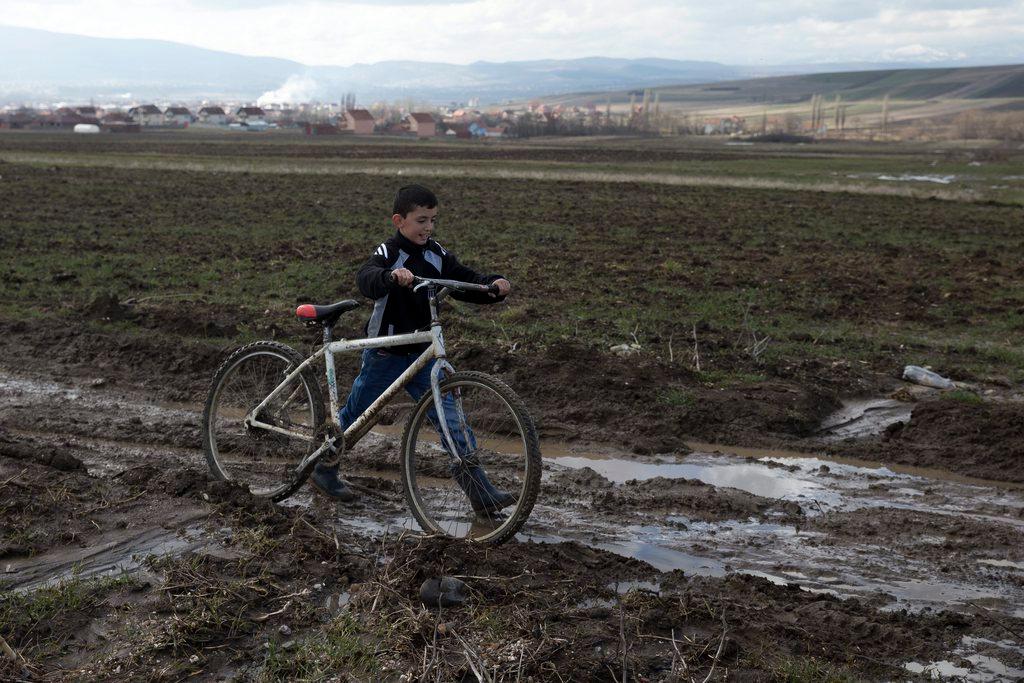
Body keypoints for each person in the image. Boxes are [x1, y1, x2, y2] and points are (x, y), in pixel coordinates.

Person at [311, 184, 515, 514]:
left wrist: (492, 286)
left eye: (433, 220)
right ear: (399, 220)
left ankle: (479, 490)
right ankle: (325, 467)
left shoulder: (437, 253)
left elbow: (463, 278)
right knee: (357, 417)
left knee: (452, 419)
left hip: (422, 354)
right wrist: (391, 276)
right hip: (386, 353)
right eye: (421, 220)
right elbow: (367, 277)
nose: (428, 228)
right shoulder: (389, 252)